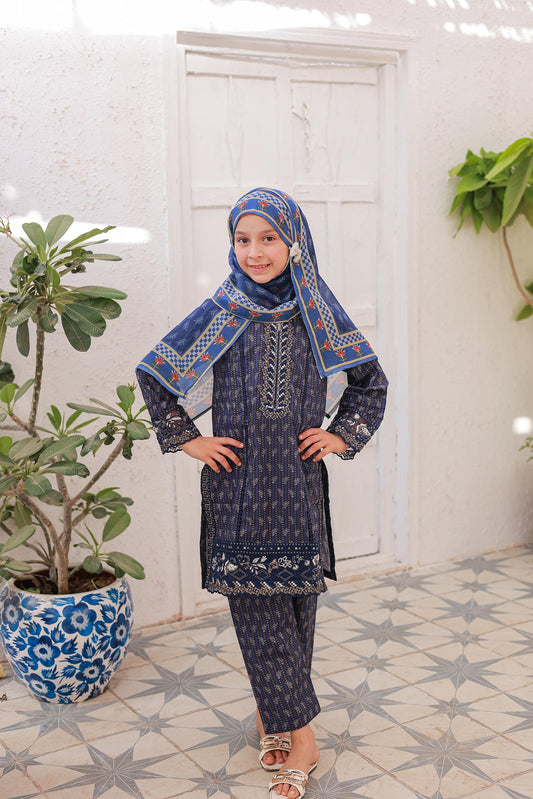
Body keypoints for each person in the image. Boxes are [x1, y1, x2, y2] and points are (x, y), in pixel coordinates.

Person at [136, 187, 387, 799]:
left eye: (268, 238)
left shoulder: (317, 310)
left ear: (292, 240)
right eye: (243, 240)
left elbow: (369, 383)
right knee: (259, 613)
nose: (255, 252)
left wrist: (338, 435)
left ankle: (274, 714)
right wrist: (189, 440)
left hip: (298, 486)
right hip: (239, 489)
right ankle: (303, 737)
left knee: (298, 609)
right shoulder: (224, 309)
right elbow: (155, 372)